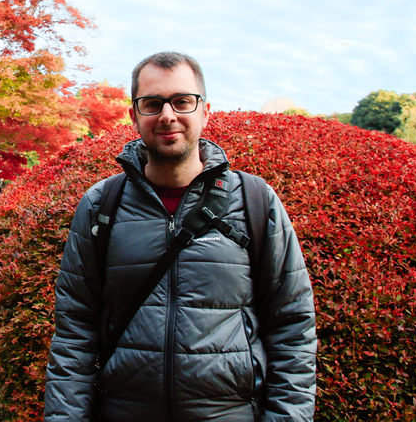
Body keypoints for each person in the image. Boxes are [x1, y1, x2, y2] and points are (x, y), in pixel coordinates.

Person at [44, 52, 316, 421]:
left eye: (182, 101)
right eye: (152, 103)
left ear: (205, 111)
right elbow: (74, 332)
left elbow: (292, 327)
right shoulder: (100, 205)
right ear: (134, 116)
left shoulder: (254, 201)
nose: (168, 116)